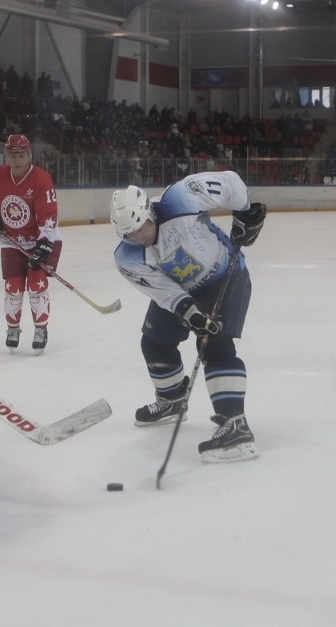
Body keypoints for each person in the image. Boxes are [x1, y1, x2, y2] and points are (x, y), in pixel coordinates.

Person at [110, 173, 266, 463]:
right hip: (182, 289)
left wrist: (246, 211)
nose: (139, 237)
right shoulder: (127, 258)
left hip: (226, 275)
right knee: (154, 341)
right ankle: (172, 400)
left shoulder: (181, 197)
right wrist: (190, 312)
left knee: (214, 344)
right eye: (130, 234)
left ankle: (235, 425)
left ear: (150, 213)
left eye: (142, 227)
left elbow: (231, 182)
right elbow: (164, 292)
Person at [0, 134, 62, 354]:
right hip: (12, 239)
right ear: (6, 155)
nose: (17, 160)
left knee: (36, 283)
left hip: (43, 238)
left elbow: (49, 217)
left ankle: (41, 329)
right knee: (13, 286)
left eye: (21, 154)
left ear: (29, 155)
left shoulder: (41, 180)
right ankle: (13, 329)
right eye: (12, 155)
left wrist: (44, 245)